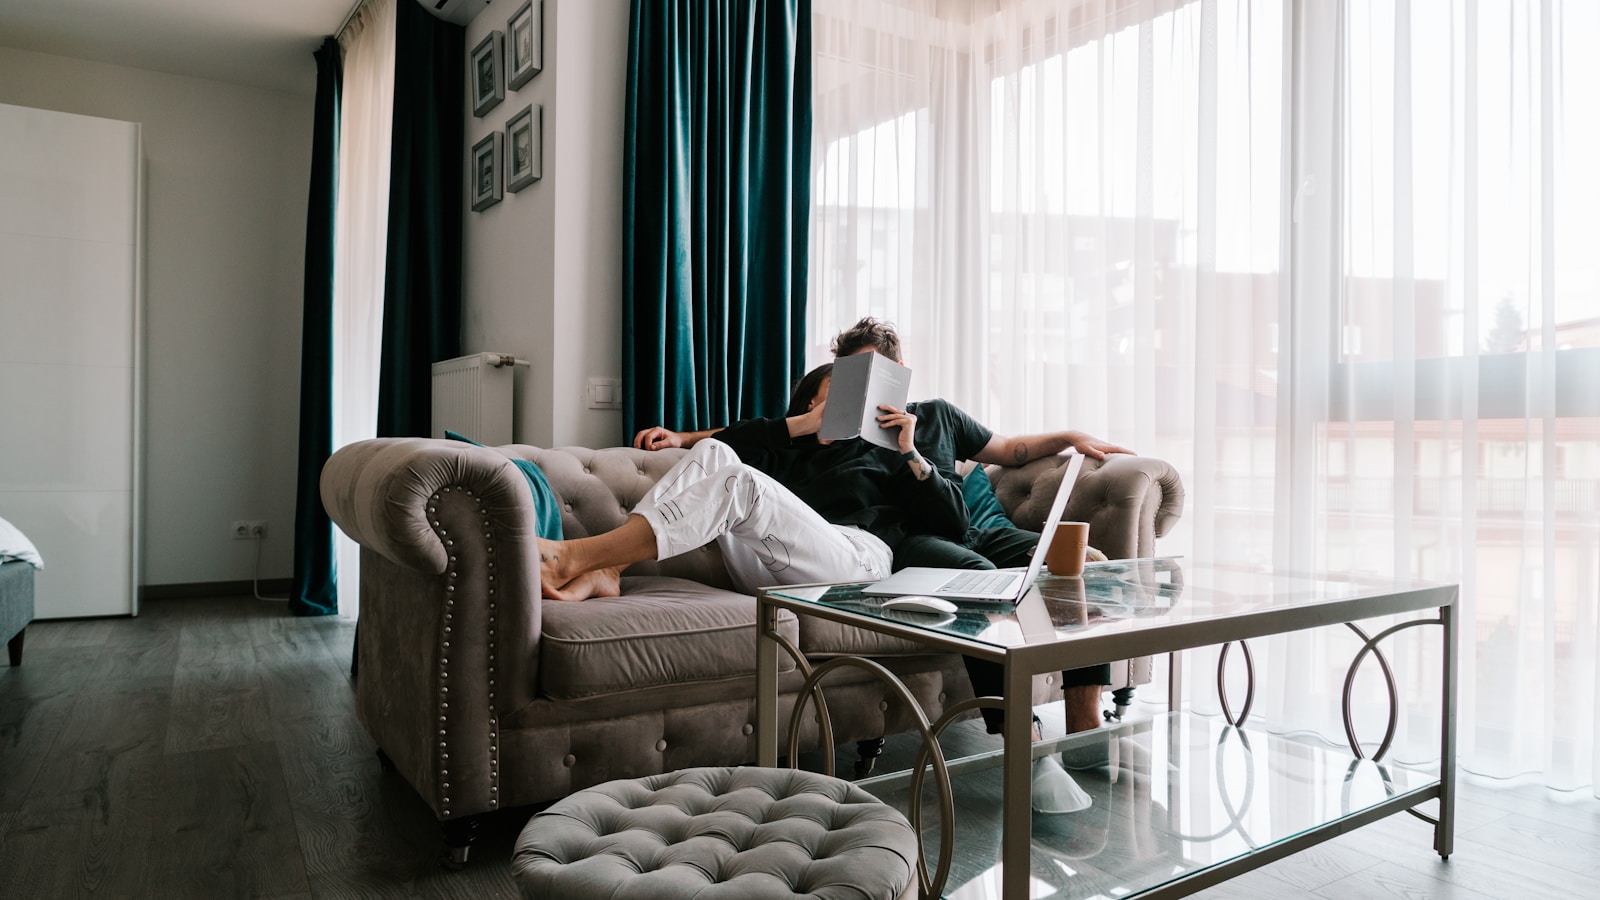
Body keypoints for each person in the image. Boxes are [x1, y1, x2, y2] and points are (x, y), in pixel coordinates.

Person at [631, 317, 1137, 811]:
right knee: (988, 584)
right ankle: (1024, 741)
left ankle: (1085, 723)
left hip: (974, 529)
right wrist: (683, 437)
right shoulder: (842, 437)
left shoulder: (937, 414)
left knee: (1084, 569)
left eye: (879, 375)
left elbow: (1012, 448)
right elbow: (756, 437)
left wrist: (1071, 436)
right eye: (855, 376)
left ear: (899, 373)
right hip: (914, 541)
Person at [537, 363, 967, 603]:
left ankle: (576, 557)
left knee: (741, 481)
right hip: (770, 564)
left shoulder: (880, 452)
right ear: (812, 399)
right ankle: (610, 568)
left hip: (857, 564)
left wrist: (910, 451)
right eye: (840, 390)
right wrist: (798, 427)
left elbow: (955, 522)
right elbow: (730, 440)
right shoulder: (783, 449)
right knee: (716, 455)